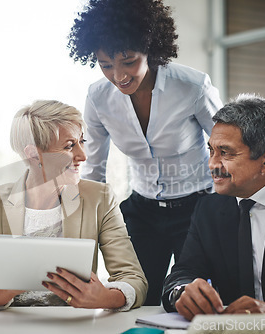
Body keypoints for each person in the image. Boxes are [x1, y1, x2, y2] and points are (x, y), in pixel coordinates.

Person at [67, 0, 223, 305]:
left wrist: (228, 205)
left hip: (198, 206)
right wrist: (84, 220)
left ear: (150, 48)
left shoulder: (192, 87)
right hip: (143, 210)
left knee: (196, 300)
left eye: (128, 61)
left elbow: (227, 144)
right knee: (137, 297)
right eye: (106, 64)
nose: (118, 75)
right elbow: (94, 168)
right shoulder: (98, 97)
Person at [0, 100, 147, 311]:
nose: (83, 156)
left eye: (81, 141)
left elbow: (133, 278)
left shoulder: (100, 198)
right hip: (7, 324)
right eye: (69, 146)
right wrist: (2, 290)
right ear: (33, 154)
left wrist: (106, 298)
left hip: (74, 325)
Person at [162, 94, 265, 328]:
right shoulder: (208, 208)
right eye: (211, 151)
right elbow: (183, 272)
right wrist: (182, 292)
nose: (212, 164)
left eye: (226, 153)